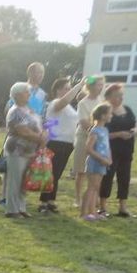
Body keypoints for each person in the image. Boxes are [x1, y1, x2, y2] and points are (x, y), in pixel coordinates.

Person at [1, 82, 46, 218]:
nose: (29, 94)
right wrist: (40, 138)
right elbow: (23, 131)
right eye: (26, 92)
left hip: (30, 150)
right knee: (15, 180)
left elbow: (38, 124)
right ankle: (12, 210)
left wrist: (43, 135)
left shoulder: (28, 109)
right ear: (18, 95)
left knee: (24, 180)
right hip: (17, 149)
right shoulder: (15, 111)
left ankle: (21, 207)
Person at [40, 77, 84, 212]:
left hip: (68, 143)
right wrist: (79, 86)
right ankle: (43, 202)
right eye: (66, 88)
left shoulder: (69, 108)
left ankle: (51, 200)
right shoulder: (55, 103)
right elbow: (64, 101)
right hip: (56, 142)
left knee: (57, 174)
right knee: (51, 173)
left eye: (69, 88)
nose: (69, 91)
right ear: (58, 90)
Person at [99, 84, 137, 218]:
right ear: (109, 97)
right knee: (107, 177)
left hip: (127, 148)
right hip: (111, 149)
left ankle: (123, 207)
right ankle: (103, 207)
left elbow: (135, 124)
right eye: (117, 96)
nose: (120, 98)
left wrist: (134, 131)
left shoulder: (128, 109)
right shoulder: (105, 112)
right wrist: (119, 134)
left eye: (121, 95)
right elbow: (101, 133)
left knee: (125, 177)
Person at [73, 75, 105, 209]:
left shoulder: (102, 101)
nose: (101, 87)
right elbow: (83, 122)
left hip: (99, 139)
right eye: (98, 84)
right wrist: (96, 132)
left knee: (96, 170)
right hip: (83, 138)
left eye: (102, 84)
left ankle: (94, 197)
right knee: (81, 170)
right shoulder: (83, 103)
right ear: (91, 86)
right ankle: (78, 198)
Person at [81, 103, 113, 223]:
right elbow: (88, 149)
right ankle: (84, 213)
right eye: (109, 113)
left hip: (102, 163)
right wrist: (102, 159)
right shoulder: (95, 131)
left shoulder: (105, 130)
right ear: (103, 116)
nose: (111, 115)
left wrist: (109, 159)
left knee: (96, 188)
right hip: (95, 163)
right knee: (91, 187)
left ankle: (93, 212)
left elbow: (107, 147)